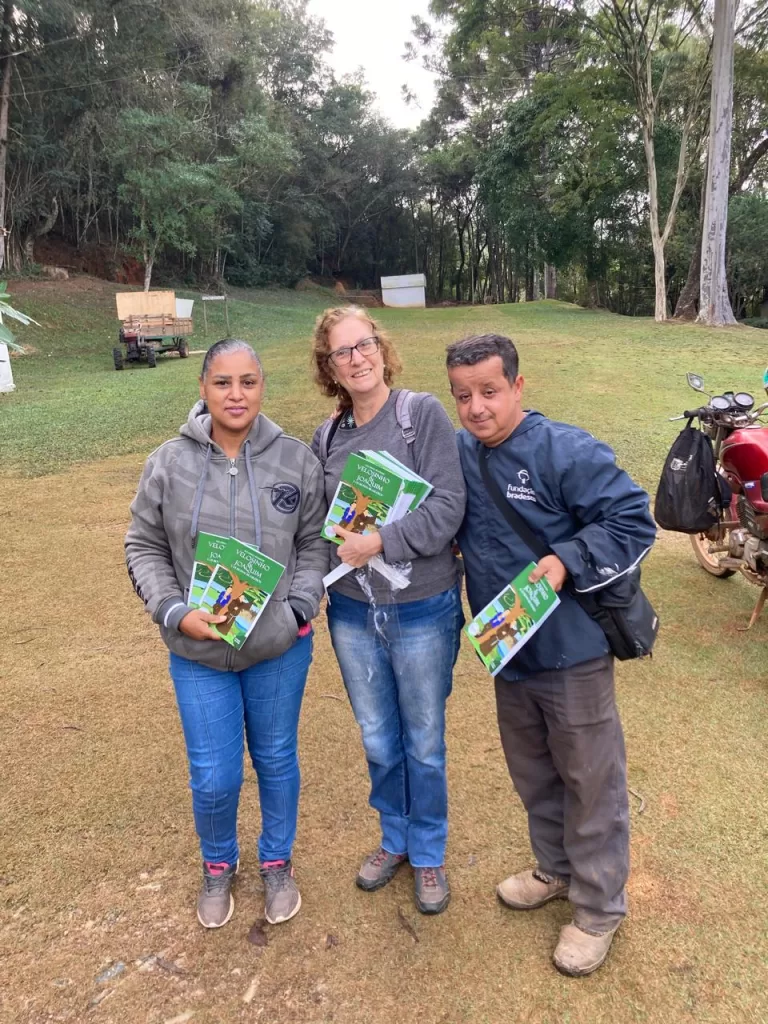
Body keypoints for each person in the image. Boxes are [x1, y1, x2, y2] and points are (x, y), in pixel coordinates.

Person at [446, 333, 656, 976]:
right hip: (508, 651)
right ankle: (557, 870)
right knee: (535, 773)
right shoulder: (459, 452)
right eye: (463, 396)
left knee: (591, 781)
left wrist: (564, 561)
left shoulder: (565, 449)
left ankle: (598, 909)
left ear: (517, 385)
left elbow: (633, 520)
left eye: (489, 391)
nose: (477, 408)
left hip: (572, 653)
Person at [125, 339, 327, 930]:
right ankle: (218, 864)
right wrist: (171, 609)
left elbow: (315, 541)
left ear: (263, 386)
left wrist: (296, 606)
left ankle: (276, 861)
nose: (235, 395)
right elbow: (143, 544)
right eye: (222, 383)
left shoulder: (294, 459)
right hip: (198, 652)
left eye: (247, 382)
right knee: (214, 773)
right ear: (203, 388)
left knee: (276, 758)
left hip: (278, 648)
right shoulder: (168, 462)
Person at [311, 306, 466, 914]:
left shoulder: (419, 415)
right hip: (351, 611)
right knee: (378, 735)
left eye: (364, 343)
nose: (357, 358)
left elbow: (449, 505)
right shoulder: (328, 435)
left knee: (423, 739)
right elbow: (321, 526)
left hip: (422, 605)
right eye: (342, 352)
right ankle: (394, 838)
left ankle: (428, 853)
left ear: (381, 346)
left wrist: (380, 541)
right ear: (329, 367)